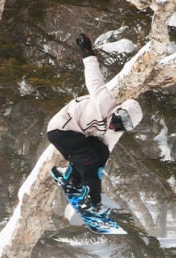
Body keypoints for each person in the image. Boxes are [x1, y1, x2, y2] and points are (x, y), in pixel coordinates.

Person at [47, 33, 143, 217]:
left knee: (98, 154)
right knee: (88, 159)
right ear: (117, 112)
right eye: (117, 122)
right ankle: (93, 202)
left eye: (122, 127)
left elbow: (103, 155)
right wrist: (86, 50)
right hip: (61, 128)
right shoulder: (104, 100)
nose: (115, 128)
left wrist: (96, 171)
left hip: (79, 136)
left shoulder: (115, 133)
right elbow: (93, 77)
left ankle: (71, 179)